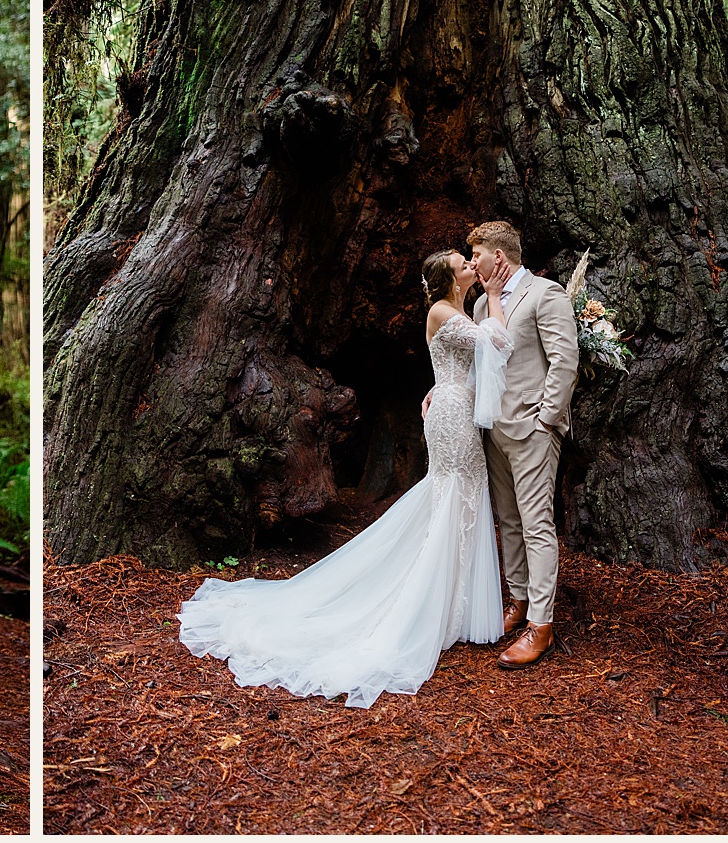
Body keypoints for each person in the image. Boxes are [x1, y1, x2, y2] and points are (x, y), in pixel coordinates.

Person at [173, 247, 510, 707]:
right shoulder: (442, 309)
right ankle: (428, 605)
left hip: (454, 408)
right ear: (449, 278)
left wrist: (438, 385)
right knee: (453, 497)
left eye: (471, 263)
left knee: (460, 498)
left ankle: (457, 604)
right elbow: (496, 344)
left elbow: (465, 367)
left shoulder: (458, 308)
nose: (472, 266)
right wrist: (495, 296)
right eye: (463, 263)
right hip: (452, 417)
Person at [465, 220, 579, 668]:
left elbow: (564, 362)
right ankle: (517, 601)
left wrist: (545, 421)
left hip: (532, 429)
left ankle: (541, 624)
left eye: (476, 255)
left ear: (499, 257)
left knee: (536, 525)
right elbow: (482, 364)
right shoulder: (478, 307)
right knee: (508, 522)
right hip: (493, 429)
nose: (471, 263)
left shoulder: (546, 295)